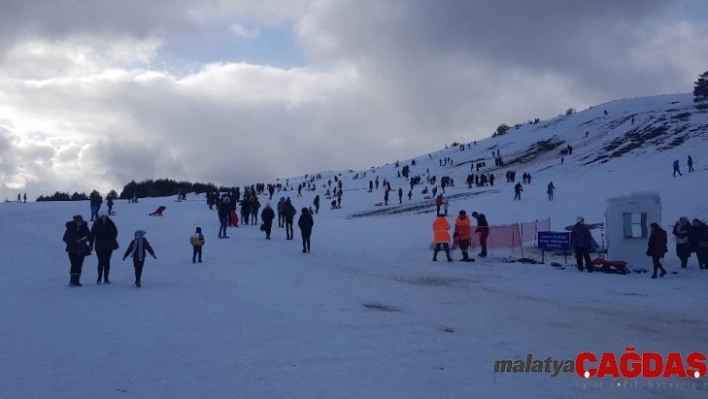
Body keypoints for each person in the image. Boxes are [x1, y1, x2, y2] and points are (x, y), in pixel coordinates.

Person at [90, 211, 118, 284]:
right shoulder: (96, 224)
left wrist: (112, 239)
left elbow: (115, 232)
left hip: (109, 246)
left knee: (107, 262)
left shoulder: (111, 223)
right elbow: (92, 234)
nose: (104, 218)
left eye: (105, 216)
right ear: (100, 216)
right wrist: (91, 244)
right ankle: (99, 278)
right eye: (103, 216)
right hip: (99, 246)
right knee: (100, 261)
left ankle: (106, 278)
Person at [63, 215, 91, 286]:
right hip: (72, 249)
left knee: (79, 264)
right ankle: (72, 280)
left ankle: (77, 280)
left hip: (82, 249)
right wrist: (75, 241)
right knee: (74, 264)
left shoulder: (85, 227)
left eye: (80, 222)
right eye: (78, 222)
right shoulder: (70, 228)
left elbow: (89, 236)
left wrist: (85, 239)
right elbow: (65, 238)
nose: (79, 223)